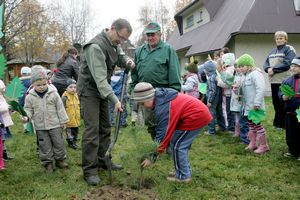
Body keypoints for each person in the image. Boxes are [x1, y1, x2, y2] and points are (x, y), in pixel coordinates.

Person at [77, 18, 135, 185]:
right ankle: (89, 170)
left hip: (102, 91)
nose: (122, 42)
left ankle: (103, 160)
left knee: (105, 127)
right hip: (89, 91)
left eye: (125, 39)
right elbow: (101, 80)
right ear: (112, 29)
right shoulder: (95, 47)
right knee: (92, 130)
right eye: (121, 37)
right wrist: (116, 101)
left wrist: (127, 62)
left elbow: (120, 56)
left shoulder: (114, 43)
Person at [132, 82, 212, 183]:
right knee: (176, 143)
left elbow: (163, 134)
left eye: (142, 103)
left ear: (150, 97)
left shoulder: (162, 108)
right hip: (194, 115)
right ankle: (182, 171)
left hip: (196, 116)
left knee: (178, 146)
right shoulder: (160, 98)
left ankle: (184, 176)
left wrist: (152, 157)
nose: (143, 107)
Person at [130, 21, 181, 140]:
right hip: (146, 94)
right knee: (150, 122)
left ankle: (168, 146)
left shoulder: (168, 49)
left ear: (159, 34)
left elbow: (174, 71)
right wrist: (133, 89)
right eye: (148, 35)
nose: (150, 37)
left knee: (165, 121)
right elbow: (135, 73)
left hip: (163, 93)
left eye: (153, 34)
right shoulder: (139, 51)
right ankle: (156, 144)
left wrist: (174, 92)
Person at [24, 68, 69, 172]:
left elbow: (60, 108)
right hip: (40, 126)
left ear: (47, 82)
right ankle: (48, 163)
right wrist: (26, 117)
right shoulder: (30, 97)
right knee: (44, 145)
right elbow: (28, 109)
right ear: (33, 84)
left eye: (44, 84)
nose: (41, 87)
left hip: (55, 124)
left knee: (59, 143)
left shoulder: (54, 94)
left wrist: (63, 121)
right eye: (38, 85)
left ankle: (60, 160)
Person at [263, 31, 296, 130]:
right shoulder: (272, 52)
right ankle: (277, 123)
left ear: (286, 39)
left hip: (284, 81)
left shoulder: (289, 49)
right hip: (274, 81)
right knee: (276, 103)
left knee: (284, 102)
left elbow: (288, 63)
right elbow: (266, 63)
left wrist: (273, 70)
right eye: (277, 38)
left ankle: (285, 124)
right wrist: (267, 68)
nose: (279, 40)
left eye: (281, 38)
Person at [237, 54, 269, 154]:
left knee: (257, 124)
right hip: (248, 106)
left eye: (243, 66)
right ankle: (253, 142)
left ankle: (264, 145)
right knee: (251, 125)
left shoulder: (255, 74)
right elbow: (242, 92)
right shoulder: (244, 76)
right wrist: (236, 90)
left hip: (255, 106)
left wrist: (257, 103)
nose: (240, 68)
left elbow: (261, 89)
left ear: (249, 65)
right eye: (239, 66)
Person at [279, 56, 300, 160]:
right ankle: (292, 150)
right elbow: (281, 92)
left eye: (296, 66)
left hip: (299, 112)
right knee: (291, 132)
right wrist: (283, 97)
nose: (293, 68)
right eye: (292, 65)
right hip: (290, 112)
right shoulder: (287, 81)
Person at [204, 60, 226, 135]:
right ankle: (223, 127)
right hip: (219, 98)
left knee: (211, 114)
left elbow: (212, 90)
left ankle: (211, 131)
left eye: (205, 69)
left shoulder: (210, 78)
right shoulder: (216, 75)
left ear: (208, 70)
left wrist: (209, 101)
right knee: (220, 113)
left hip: (213, 100)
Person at [61, 79, 80, 150]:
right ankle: (71, 143)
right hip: (68, 120)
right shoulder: (64, 97)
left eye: (75, 87)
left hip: (76, 119)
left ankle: (74, 141)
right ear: (66, 88)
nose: (73, 89)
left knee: (76, 131)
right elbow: (61, 108)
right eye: (71, 87)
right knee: (70, 133)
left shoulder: (76, 96)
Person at [0, 80, 14, 161]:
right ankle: (1, 155)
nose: (2, 93)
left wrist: (10, 108)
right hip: (1, 122)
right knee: (1, 138)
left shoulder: (2, 97)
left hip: (4, 121)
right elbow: (2, 108)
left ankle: (4, 154)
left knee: (3, 139)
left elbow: (5, 106)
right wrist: (6, 108)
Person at [19, 66, 32, 134]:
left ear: (21, 74)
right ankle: (33, 128)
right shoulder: (33, 82)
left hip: (22, 103)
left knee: (23, 116)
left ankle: (26, 128)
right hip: (32, 102)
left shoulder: (18, 83)